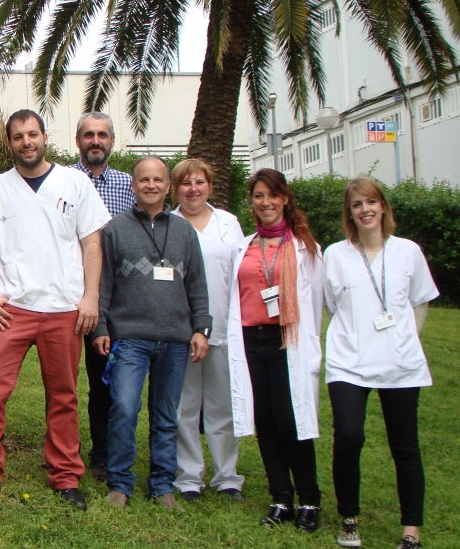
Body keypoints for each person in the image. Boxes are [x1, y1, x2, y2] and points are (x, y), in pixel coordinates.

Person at [0, 109, 110, 511]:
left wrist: (90, 297)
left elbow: (91, 244)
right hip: (10, 308)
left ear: (44, 136)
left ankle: (65, 475)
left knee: (63, 395)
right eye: (18, 137)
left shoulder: (75, 184)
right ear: (10, 143)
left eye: (32, 134)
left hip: (62, 307)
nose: (26, 142)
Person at [323, 177, 438, 549]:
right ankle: (349, 519)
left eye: (371, 202)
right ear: (349, 213)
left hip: (400, 363)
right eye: (357, 204)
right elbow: (331, 306)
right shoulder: (336, 254)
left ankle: (411, 530)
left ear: (383, 206)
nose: (365, 210)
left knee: (404, 445)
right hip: (349, 362)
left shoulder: (408, 251)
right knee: (349, 436)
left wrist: (405, 338)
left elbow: (420, 300)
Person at [92, 156, 211, 511]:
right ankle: (120, 483)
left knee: (165, 415)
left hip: (175, 339)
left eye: (158, 179)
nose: (151, 185)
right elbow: (103, 284)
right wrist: (100, 326)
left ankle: (162, 485)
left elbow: (197, 285)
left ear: (167, 186)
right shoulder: (115, 229)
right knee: (124, 408)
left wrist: (201, 328)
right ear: (133, 186)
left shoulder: (184, 232)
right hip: (130, 338)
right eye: (144, 179)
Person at [226, 168, 323, 531]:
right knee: (264, 420)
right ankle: (281, 496)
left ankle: (309, 499)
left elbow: (316, 303)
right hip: (251, 340)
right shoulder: (244, 246)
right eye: (258, 196)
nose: (265, 202)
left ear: (284, 199)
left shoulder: (304, 248)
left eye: (271, 195)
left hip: (287, 340)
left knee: (290, 418)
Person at [169, 158, 246, 502]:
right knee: (184, 406)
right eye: (185, 183)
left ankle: (227, 476)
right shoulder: (169, 223)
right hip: (181, 330)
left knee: (221, 405)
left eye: (199, 182)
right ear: (176, 189)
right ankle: (188, 477)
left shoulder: (228, 224)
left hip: (224, 328)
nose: (193, 189)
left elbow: (240, 275)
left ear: (210, 187)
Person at [71, 111, 135, 481]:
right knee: (61, 378)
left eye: (102, 135)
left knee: (103, 378)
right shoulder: (63, 179)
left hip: (112, 297)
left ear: (111, 141)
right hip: (66, 292)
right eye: (89, 135)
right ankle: (62, 447)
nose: (96, 141)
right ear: (78, 140)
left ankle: (104, 452)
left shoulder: (128, 185)